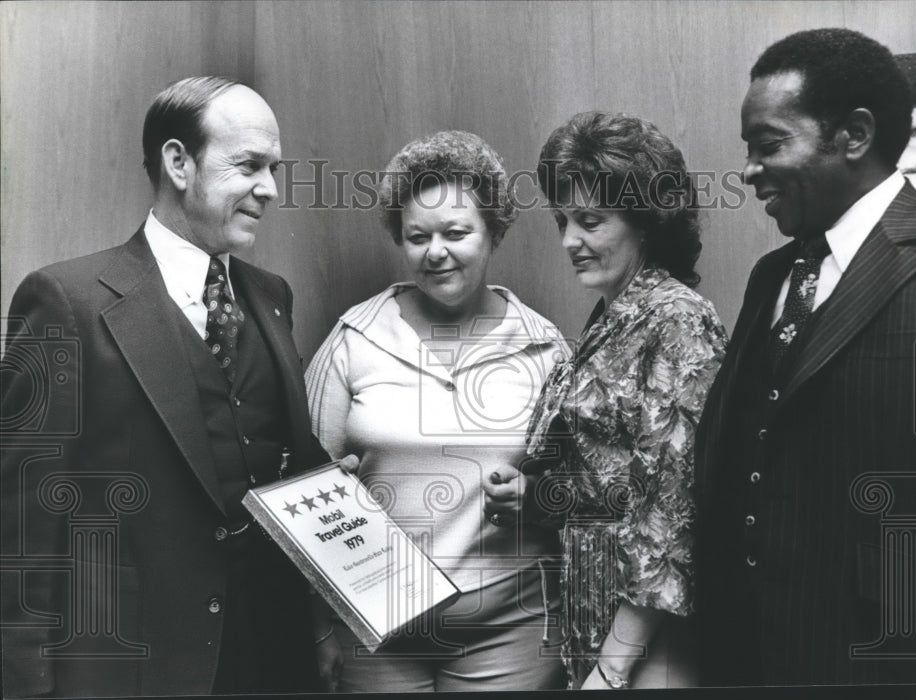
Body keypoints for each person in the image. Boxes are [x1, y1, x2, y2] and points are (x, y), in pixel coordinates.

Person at [0, 76, 332, 697]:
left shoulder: (272, 296)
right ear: (179, 162)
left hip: (270, 655)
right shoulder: (64, 301)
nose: (270, 189)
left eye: (275, 168)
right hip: (133, 665)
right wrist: (24, 685)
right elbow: (21, 525)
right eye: (250, 166)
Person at [695, 28, 916, 686]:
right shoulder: (770, 275)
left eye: (769, 144)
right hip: (747, 657)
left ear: (854, 136)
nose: (749, 171)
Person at [304, 130, 569, 692]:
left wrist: (538, 496)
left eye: (456, 232)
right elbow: (301, 489)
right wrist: (318, 627)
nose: (435, 251)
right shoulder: (355, 336)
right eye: (417, 236)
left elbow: (584, 490)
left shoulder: (544, 347)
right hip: (373, 625)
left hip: (510, 626)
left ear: (494, 231)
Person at [524, 111, 727, 689]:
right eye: (563, 220)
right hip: (595, 613)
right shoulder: (613, 313)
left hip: (648, 639)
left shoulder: (677, 320)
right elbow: (603, 472)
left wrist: (613, 668)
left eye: (590, 221)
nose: (569, 241)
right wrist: (535, 493)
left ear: (646, 222)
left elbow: (672, 510)